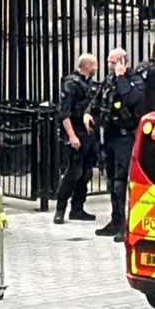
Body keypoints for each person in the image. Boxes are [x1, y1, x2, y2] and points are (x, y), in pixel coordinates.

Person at [92, 48, 145, 242]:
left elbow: (131, 98)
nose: (109, 66)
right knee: (112, 180)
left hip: (125, 137)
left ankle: (124, 225)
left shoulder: (135, 80)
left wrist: (122, 77)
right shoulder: (109, 79)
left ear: (123, 63)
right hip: (110, 135)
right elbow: (98, 98)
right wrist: (89, 112)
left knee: (121, 182)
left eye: (113, 63)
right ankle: (115, 220)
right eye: (108, 62)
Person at [54, 53, 99, 225]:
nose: (97, 68)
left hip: (88, 135)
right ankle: (60, 209)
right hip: (76, 133)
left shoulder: (90, 84)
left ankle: (77, 208)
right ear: (87, 66)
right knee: (73, 173)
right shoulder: (71, 84)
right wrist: (72, 136)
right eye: (95, 65)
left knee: (86, 173)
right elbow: (64, 113)